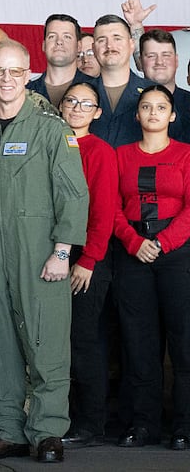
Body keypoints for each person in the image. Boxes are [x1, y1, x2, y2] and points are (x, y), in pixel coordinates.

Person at [0, 39, 89, 463]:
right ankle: (7, 430)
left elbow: (73, 195)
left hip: (40, 252)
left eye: (14, 72)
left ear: (28, 75)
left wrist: (62, 252)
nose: (5, 80)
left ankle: (47, 431)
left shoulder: (51, 130)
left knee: (46, 345)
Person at [112, 85, 190, 451]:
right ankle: (144, 425)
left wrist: (162, 243)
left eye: (162, 107)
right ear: (137, 115)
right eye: (146, 106)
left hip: (177, 253)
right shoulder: (120, 156)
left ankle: (184, 426)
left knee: (184, 341)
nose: (154, 112)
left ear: (172, 116)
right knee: (139, 343)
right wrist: (134, 242)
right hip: (133, 253)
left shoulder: (186, 155)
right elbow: (110, 207)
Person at [56, 82, 117, 449]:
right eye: (71, 101)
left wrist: (90, 259)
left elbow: (104, 211)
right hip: (53, 254)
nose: (77, 108)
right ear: (60, 106)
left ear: (97, 112)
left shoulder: (99, 151)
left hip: (88, 257)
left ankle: (90, 422)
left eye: (86, 104)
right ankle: (57, 415)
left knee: (83, 339)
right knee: (56, 341)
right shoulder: (52, 143)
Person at [89, 14, 154, 147]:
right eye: (102, 40)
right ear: (94, 49)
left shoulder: (155, 93)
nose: (109, 46)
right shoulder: (79, 95)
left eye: (117, 38)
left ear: (131, 45)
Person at [27, 14, 94, 106]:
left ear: (78, 46)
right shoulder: (25, 93)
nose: (59, 41)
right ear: (44, 45)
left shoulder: (98, 89)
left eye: (67, 37)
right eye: (52, 36)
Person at [139, 29, 190, 141]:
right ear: (140, 62)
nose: (159, 62)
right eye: (151, 56)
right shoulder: (130, 104)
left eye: (166, 55)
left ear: (176, 61)